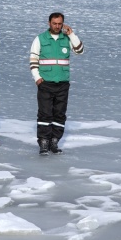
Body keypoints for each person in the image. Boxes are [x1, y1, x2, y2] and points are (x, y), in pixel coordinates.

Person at [29, 12, 84, 155]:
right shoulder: (40, 39)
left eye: (60, 24)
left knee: (59, 114)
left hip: (62, 83)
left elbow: (80, 51)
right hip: (45, 83)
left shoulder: (66, 38)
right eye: (54, 23)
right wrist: (37, 78)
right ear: (49, 23)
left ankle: (55, 140)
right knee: (45, 114)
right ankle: (43, 142)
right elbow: (33, 60)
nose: (57, 26)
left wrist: (72, 34)